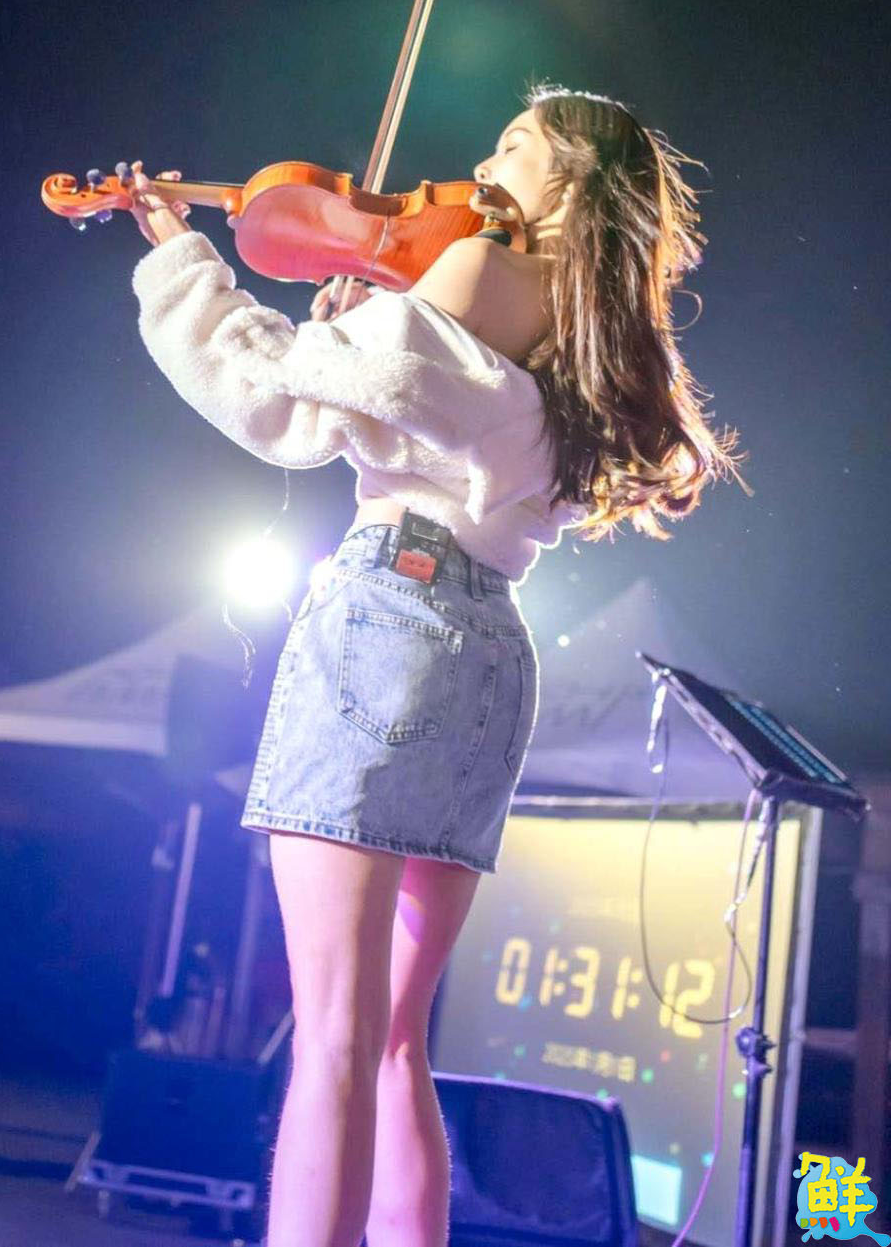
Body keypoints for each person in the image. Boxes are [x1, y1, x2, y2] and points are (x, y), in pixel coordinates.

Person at [127, 86, 749, 1247]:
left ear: (568, 178)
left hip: (390, 615)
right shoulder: (590, 334)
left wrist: (178, 256)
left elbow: (275, 404)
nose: (481, 161)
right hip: (491, 653)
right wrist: (371, 326)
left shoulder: (473, 270)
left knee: (334, 1037)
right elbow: (425, 405)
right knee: (397, 1042)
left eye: (514, 144)